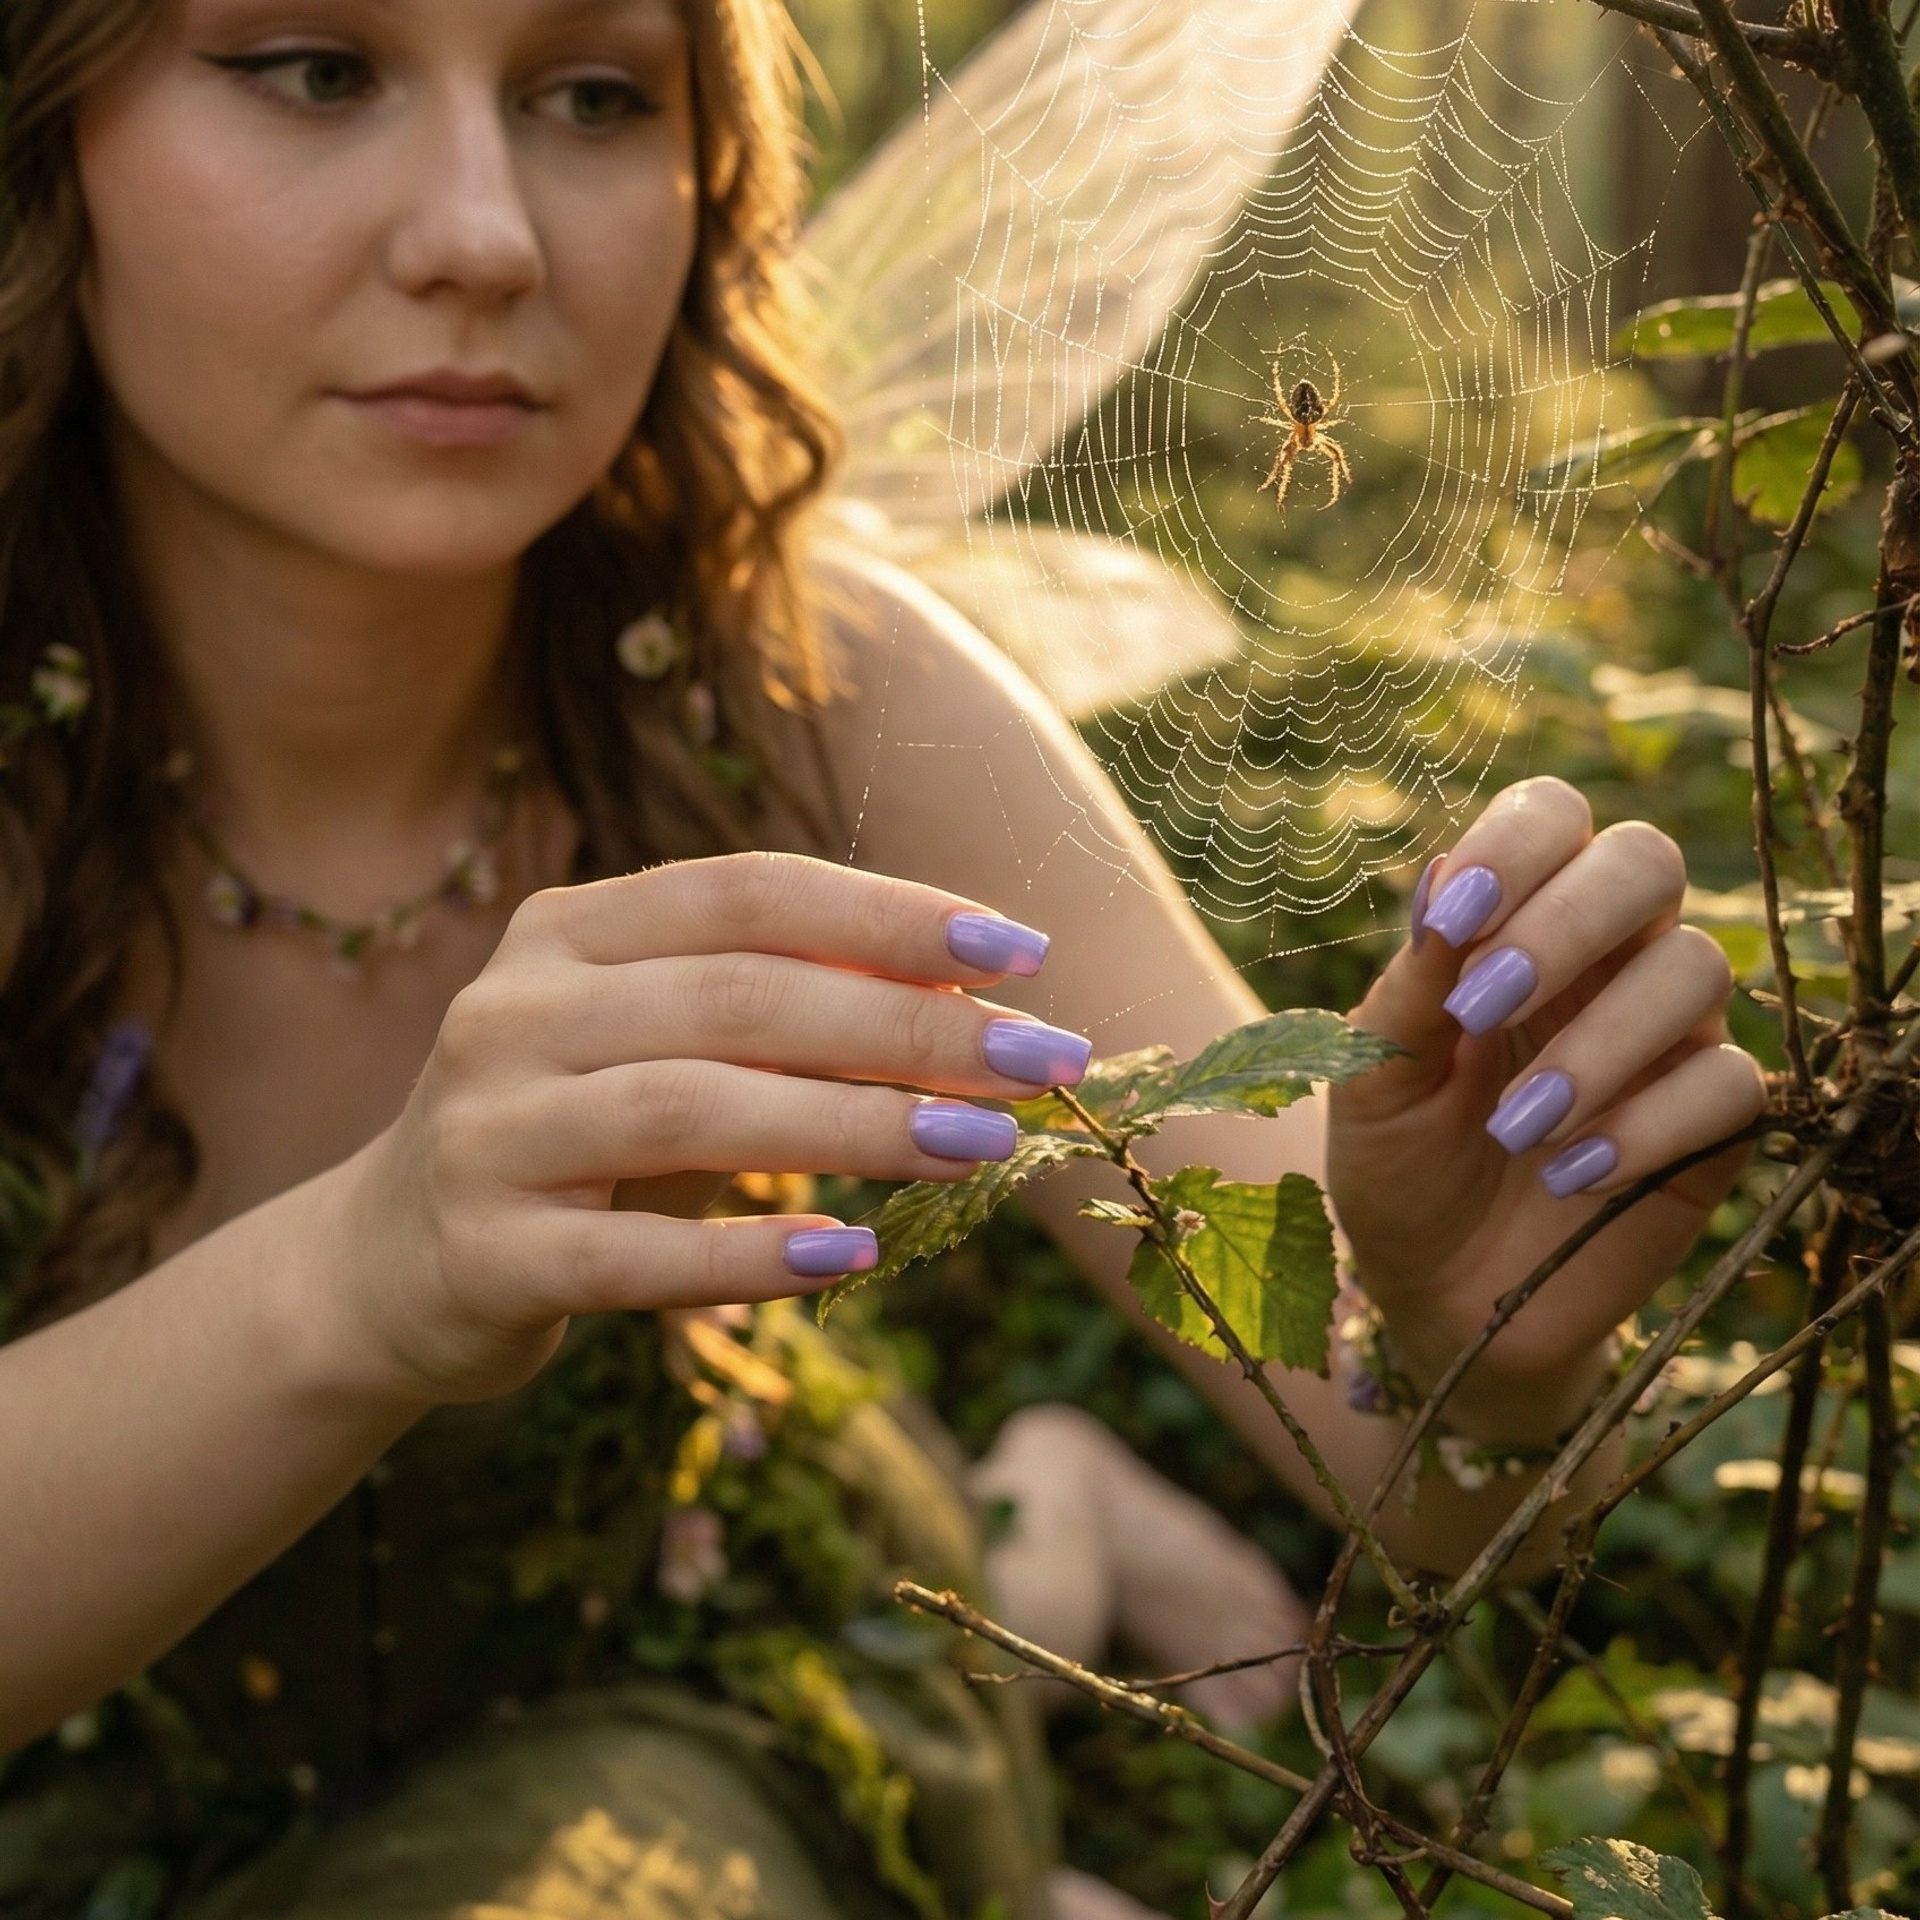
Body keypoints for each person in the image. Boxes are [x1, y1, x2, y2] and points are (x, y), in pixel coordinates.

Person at [0, 0, 1767, 1914]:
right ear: (43, 124)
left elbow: (1391, 1450)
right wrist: (362, 1275)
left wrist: (1465, 1339)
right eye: (315, 68)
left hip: (675, 1712)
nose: (485, 236)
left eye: (594, 95)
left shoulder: (815, 685)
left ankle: (1026, 1534)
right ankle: (1052, 1509)